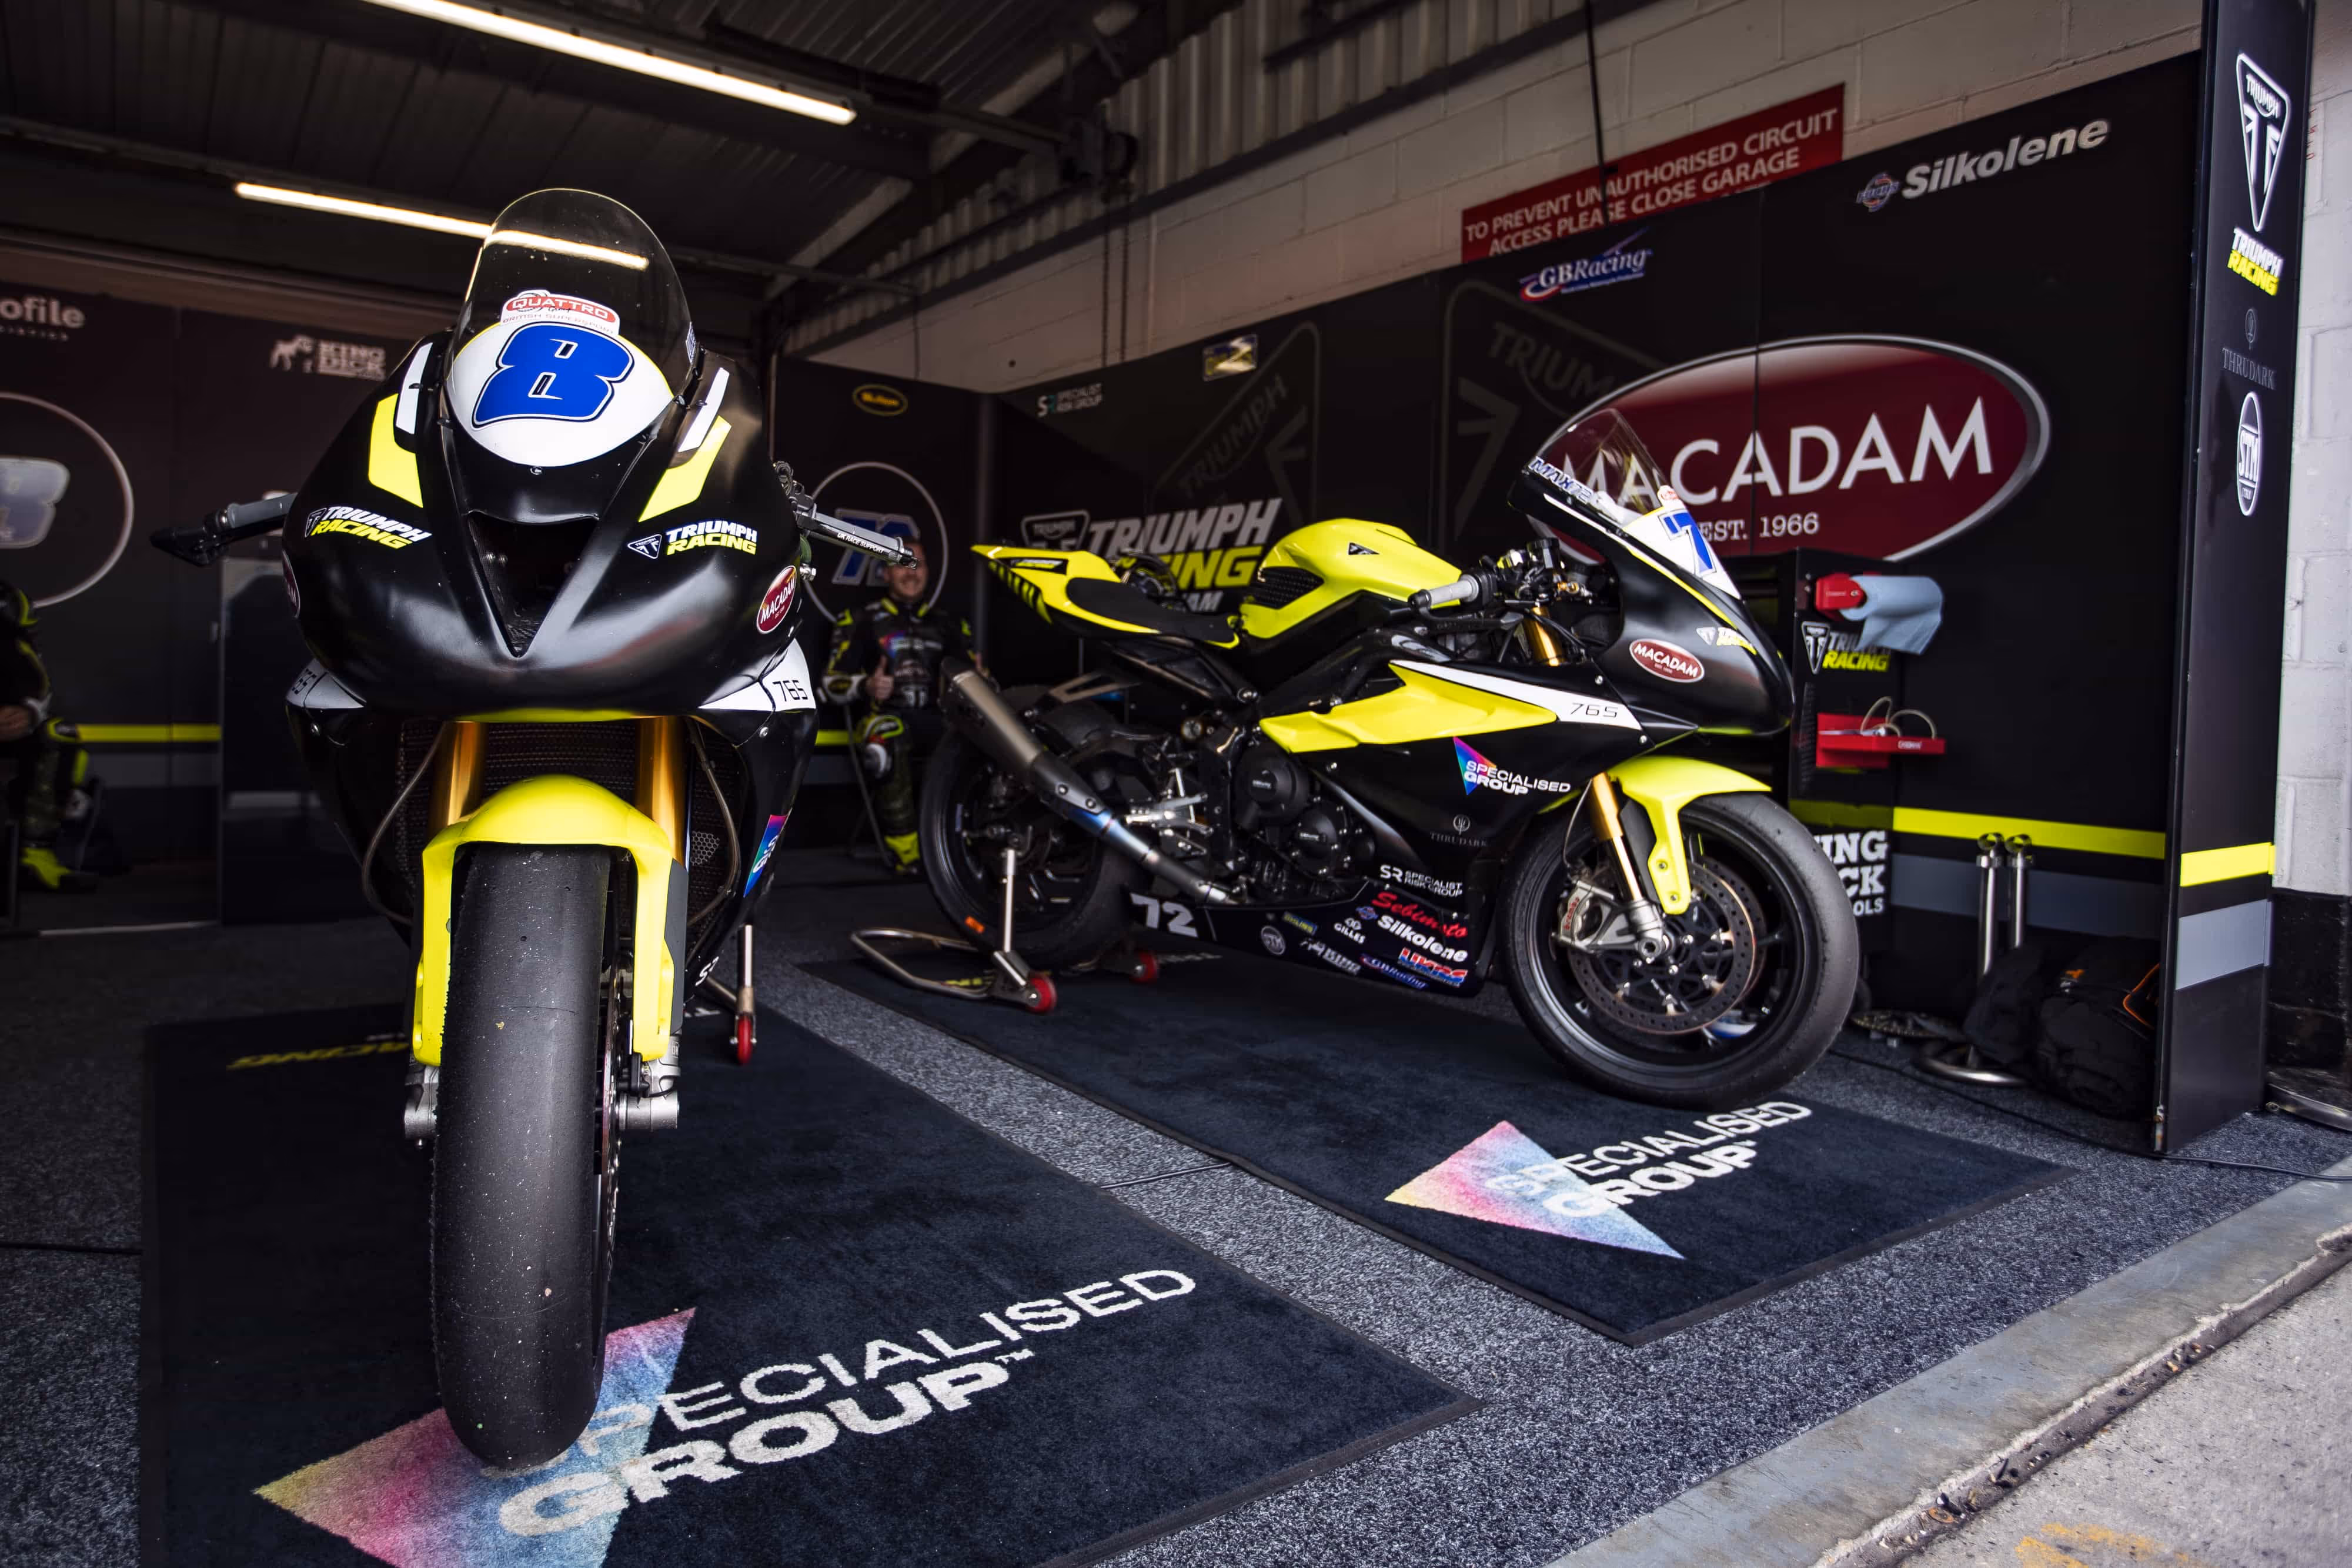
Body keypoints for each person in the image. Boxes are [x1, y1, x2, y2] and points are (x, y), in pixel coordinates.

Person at [821, 543, 973, 874]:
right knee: (888, 734)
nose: (911, 572)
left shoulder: (950, 625)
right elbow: (829, 685)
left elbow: (976, 681)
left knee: (976, 741)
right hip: (884, 718)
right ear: (885, 572)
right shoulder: (862, 620)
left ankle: (961, 847)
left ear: (929, 573)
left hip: (939, 722)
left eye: (918, 564)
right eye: (903, 564)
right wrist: (866, 685)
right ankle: (909, 854)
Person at [0, 581, 95, 892]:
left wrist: (26, 712)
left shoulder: (10, 641)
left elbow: (35, 686)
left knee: (58, 734)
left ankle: (34, 855)